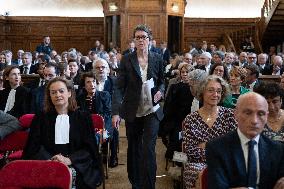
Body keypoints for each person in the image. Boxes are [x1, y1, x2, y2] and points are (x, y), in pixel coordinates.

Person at [22, 77, 102, 189]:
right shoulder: (41, 117)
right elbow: (33, 146)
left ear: (69, 93)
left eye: (61, 91)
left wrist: (69, 160)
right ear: (49, 96)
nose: (57, 95)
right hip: (46, 162)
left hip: (77, 163)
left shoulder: (83, 117)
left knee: (67, 175)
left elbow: (89, 148)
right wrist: (51, 160)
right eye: (53, 92)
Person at [112, 24, 164, 189]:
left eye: (144, 37)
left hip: (152, 110)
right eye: (138, 37)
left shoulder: (157, 58)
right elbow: (119, 87)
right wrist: (116, 112)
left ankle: (149, 185)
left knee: (148, 147)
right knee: (134, 148)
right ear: (134, 40)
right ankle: (136, 183)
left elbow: (163, 82)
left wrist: (160, 92)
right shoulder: (127, 59)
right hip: (133, 110)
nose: (141, 40)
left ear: (149, 39)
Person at [206, 92, 284, 189]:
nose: (254, 121)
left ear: (266, 116)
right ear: (236, 114)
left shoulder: (277, 149)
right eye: (248, 113)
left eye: (261, 114)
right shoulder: (217, 148)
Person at [182, 75, 237, 188]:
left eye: (218, 91)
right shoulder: (191, 119)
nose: (215, 94)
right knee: (196, 174)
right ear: (202, 92)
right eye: (211, 90)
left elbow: (235, 145)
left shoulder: (230, 115)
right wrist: (219, 147)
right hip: (197, 164)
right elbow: (190, 150)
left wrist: (207, 146)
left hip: (225, 162)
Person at [161, 63, 194, 159]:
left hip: (191, 120)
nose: (184, 74)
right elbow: (168, 106)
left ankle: (186, 162)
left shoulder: (195, 89)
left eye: (187, 72)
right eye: (182, 72)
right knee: (175, 139)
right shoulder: (174, 87)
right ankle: (179, 162)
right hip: (176, 120)